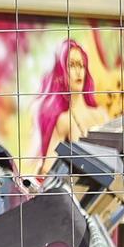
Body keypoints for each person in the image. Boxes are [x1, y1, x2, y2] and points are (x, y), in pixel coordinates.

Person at [34, 37, 107, 165]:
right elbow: (47, 168)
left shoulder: (101, 114)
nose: (78, 72)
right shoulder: (65, 120)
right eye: (72, 65)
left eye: (81, 65)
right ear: (62, 73)